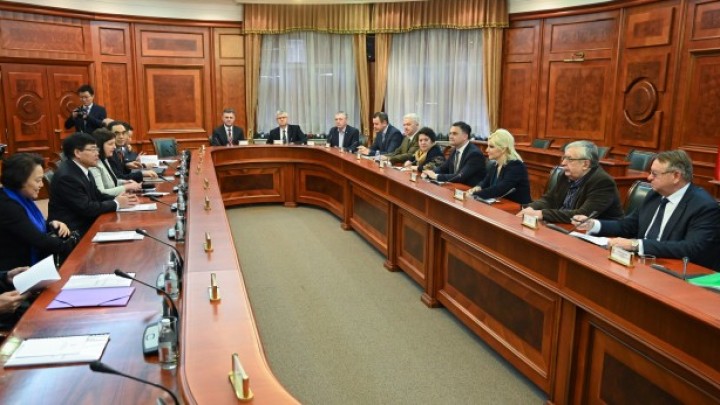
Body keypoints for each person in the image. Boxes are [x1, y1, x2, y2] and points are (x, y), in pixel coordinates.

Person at [575, 150, 720, 269]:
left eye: (655, 174)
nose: (649, 178)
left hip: (676, 271)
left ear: (676, 176)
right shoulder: (654, 195)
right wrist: (593, 224)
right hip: (641, 263)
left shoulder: (703, 206)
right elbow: (628, 225)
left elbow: (691, 248)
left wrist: (636, 245)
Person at [48, 132, 139, 236]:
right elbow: (86, 208)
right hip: (75, 231)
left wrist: (119, 198)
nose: (97, 153)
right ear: (77, 153)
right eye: (93, 150)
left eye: (97, 149)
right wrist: (116, 203)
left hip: (88, 222)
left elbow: (98, 195)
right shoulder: (67, 177)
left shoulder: (83, 168)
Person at [0, 153, 78, 270]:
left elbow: (29, 226)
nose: (41, 185)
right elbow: (38, 240)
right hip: (17, 271)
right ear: (19, 180)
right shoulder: (7, 206)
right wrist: (71, 243)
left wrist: (51, 225)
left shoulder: (21, 197)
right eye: (38, 180)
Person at [517, 140, 623, 223]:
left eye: (569, 159)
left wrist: (542, 214)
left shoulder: (602, 182)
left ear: (585, 164)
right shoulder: (565, 175)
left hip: (600, 236)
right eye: (564, 158)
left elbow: (582, 215)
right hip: (566, 226)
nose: (563, 163)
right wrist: (529, 208)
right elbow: (549, 200)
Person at [467, 129, 531, 205]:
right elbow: (485, 182)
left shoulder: (516, 166)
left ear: (503, 149)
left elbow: (500, 189)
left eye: (491, 147)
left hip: (517, 208)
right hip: (500, 205)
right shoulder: (495, 164)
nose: (487, 150)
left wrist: (474, 194)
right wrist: (478, 187)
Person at [423, 121, 486, 186]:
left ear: (465, 136)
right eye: (450, 133)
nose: (450, 136)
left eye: (454, 134)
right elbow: (443, 168)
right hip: (455, 186)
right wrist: (430, 172)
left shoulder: (474, 154)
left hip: (469, 189)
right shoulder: (455, 150)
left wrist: (436, 176)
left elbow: (460, 176)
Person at [90, 129, 142, 197]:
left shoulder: (105, 160)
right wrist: (126, 187)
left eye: (114, 144)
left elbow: (112, 182)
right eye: (110, 144)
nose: (114, 147)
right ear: (99, 146)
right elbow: (101, 192)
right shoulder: (94, 165)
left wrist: (124, 182)